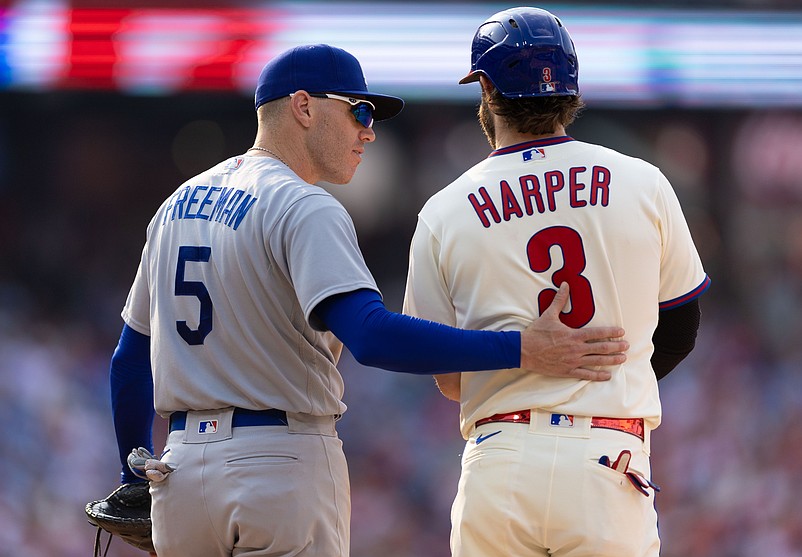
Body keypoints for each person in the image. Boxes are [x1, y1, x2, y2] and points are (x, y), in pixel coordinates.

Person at [107, 43, 632, 557]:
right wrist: (520, 348)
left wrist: (133, 474)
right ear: (304, 107)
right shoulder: (303, 204)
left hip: (179, 474)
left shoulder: (177, 205)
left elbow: (130, 359)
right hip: (275, 467)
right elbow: (372, 335)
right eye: (358, 110)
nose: (369, 130)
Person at [403, 8, 710, 557]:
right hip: (608, 458)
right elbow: (682, 329)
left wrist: (524, 364)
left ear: (487, 89)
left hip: (500, 459)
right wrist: (600, 374)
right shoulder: (644, 182)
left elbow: (447, 377)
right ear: (571, 89)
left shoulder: (444, 210)